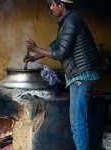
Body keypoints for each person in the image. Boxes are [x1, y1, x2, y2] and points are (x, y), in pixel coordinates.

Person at [23, 0, 100, 149]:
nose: (50, 7)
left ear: (61, 6)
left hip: (80, 77)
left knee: (78, 124)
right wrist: (34, 57)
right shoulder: (70, 20)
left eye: (52, 4)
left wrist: (35, 48)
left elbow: (60, 53)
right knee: (78, 122)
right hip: (81, 76)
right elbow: (56, 44)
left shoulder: (70, 23)